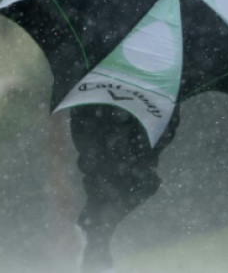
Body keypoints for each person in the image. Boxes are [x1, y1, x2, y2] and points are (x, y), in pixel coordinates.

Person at [69, 104, 180, 273]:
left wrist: (142, 157)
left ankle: (95, 247)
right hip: (111, 144)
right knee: (107, 192)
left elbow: (167, 127)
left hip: (127, 145)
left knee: (119, 192)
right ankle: (96, 253)